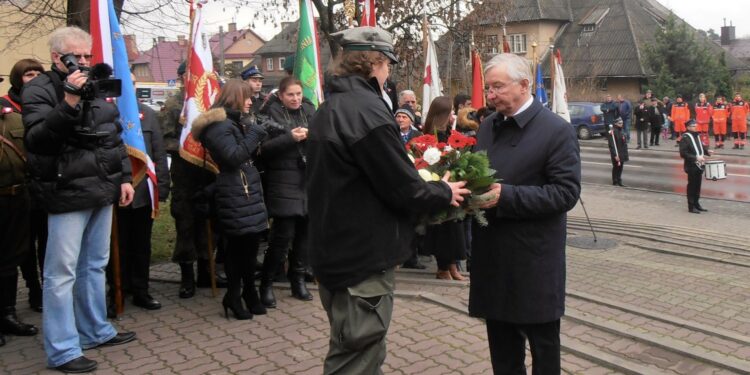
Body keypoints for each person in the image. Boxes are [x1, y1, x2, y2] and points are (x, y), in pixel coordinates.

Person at [306, 26, 469, 374]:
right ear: (374, 62)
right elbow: (401, 185)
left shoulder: (330, 107)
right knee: (356, 358)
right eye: (388, 65)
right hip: (360, 260)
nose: (389, 73)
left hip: (335, 252)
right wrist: (444, 191)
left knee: (357, 348)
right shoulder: (365, 110)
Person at [22, 26, 136, 373]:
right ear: (58, 57)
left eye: (88, 56)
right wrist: (69, 100)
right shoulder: (39, 90)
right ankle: (62, 349)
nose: (85, 62)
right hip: (66, 191)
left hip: (102, 187)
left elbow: (112, 137)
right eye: (78, 56)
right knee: (61, 273)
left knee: (94, 264)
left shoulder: (95, 87)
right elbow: (38, 140)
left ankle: (95, 330)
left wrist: (126, 177)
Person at [470, 53, 581, 374]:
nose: (490, 96)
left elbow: (566, 193)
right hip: (493, 257)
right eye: (488, 88)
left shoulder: (556, 131)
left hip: (534, 262)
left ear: (524, 85)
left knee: (544, 353)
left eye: (498, 87)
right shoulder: (488, 127)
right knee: (503, 353)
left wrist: (506, 197)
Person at [192, 79, 269, 320]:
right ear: (234, 97)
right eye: (246, 97)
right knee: (237, 249)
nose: (250, 101)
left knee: (250, 246)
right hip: (233, 192)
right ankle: (234, 295)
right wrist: (255, 133)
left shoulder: (233, 122)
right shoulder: (218, 126)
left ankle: (248, 292)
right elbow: (233, 157)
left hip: (245, 190)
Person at [108, 73, 171, 313]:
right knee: (117, 246)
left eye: (132, 83)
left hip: (144, 191)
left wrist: (162, 187)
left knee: (141, 245)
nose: (128, 88)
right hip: (117, 192)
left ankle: (141, 290)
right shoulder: (106, 115)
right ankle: (116, 292)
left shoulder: (148, 114)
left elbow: (158, 153)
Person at [161, 63, 222, 299]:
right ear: (182, 77)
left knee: (210, 224)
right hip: (185, 174)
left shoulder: (211, 101)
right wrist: (189, 147)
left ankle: (206, 272)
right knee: (186, 224)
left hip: (208, 172)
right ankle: (187, 276)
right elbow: (165, 138)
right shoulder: (175, 104)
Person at [257, 76, 315, 307]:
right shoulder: (270, 114)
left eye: (299, 94)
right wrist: (289, 138)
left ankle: (297, 279)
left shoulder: (309, 111)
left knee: (304, 237)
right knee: (281, 238)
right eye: (290, 94)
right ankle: (266, 284)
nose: (295, 98)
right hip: (282, 182)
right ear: (281, 95)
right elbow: (262, 150)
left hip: (307, 181)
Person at [0, 59, 45, 314]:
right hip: (15, 191)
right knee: (20, 249)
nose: (35, 78)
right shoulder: (6, 108)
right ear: (18, 79)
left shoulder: (49, 102)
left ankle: (40, 290)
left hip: (41, 189)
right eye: (29, 74)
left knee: (44, 243)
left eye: (38, 73)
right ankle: (31, 289)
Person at [422, 96, 469, 281]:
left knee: (455, 228)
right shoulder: (430, 135)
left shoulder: (451, 132)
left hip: (452, 186)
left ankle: (452, 266)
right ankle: (444, 267)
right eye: (450, 112)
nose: (453, 115)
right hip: (438, 186)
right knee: (444, 229)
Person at [679, 120, 712, 213]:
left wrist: (707, 152)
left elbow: (699, 147)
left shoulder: (696, 135)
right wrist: (695, 157)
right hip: (691, 165)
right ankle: (691, 206)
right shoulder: (685, 137)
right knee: (692, 186)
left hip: (699, 165)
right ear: (688, 127)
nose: (695, 127)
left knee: (698, 186)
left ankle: (697, 204)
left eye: (695, 125)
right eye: (693, 126)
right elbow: (683, 153)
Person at [607, 117, 629, 186]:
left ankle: (619, 180)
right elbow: (611, 145)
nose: (621, 124)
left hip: (622, 152)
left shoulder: (622, 130)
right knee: (616, 167)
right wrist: (615, 155)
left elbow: (624, 141)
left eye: (622, 123)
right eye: (620, 123)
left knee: (621, 167)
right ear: (616, 124)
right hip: (616, 153)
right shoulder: (613, 132)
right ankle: (615, 181)